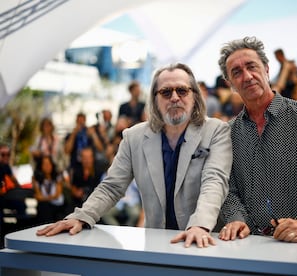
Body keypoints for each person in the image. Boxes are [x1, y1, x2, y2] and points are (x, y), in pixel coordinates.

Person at [36, 63, 233, 248]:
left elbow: (214, 182)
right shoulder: (134, 137)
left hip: (203, 243)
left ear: (195, 96)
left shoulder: (216, 131)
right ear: (155, 100)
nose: (174, 97)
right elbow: (112, 186)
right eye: (165, 92)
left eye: (182, 90)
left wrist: (199, 225)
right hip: (158, 245)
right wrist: (81, 216)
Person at [217, 36, 297, 243]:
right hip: (249, 243)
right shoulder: (229, 132)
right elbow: (229, 191)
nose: (247, 76)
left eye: (252, 66)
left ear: (267, 69)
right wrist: (236, 219)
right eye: (237, 72)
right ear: (231, 84)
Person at [32, 155, 66, 224]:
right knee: (43, 206)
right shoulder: (36, 178)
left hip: (58, 205)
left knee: (44, 206)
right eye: (45, 164)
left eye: (49, 163)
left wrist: (43, 198)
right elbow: (38, 196)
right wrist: (49, 198)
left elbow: (57, 195)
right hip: (46, 207)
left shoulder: (58, 176)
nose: (47, 166)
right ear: (41, 166)